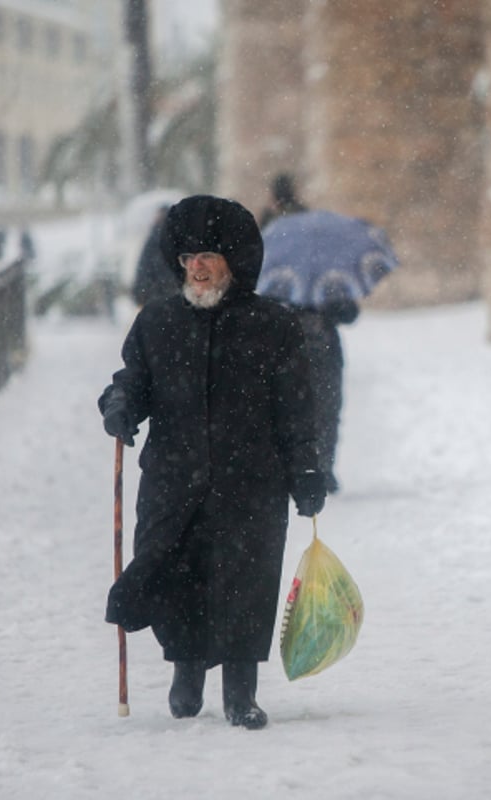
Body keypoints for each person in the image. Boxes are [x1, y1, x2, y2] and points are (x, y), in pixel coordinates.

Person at [98, 194, 327, 730]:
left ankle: (241, 692)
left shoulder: (273, 326)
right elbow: (134, 379)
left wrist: (307, 471)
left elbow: (297, 408)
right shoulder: (156, 322)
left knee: (246, 582)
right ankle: (187, 670)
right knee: (178, 577)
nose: (196, 268)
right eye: (188, 259)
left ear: (233, 262)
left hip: (251, 481)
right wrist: (120, 404)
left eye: (208, 257)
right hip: (173, 479)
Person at [258, 175, 357, 493]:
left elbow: (259, 301)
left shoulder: (265, 242)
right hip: (323, 344)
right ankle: (322, 468)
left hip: (281, 345)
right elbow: (349, 312)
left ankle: (294, 468)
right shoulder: (320, 247)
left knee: (285, 408)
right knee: (325, 409)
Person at [130, 204, 180, 306]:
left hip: (156, 297)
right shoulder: (178, 238)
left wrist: (141, 292)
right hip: (173, 294)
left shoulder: (153, 238)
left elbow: (144, 267)